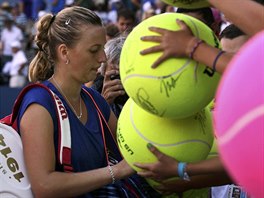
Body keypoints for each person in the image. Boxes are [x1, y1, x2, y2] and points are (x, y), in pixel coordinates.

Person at [18, 6, 160, 197]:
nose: (102, 58)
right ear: (64, 52)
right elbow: (44, 186)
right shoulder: (39, 105)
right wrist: (115, 172)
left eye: (102, 48)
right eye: (94, 50)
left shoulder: (95, 100)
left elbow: (134, 150)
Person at [92, 36, 129, 118]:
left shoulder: (143, 94)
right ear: (103, 72)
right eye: (115, 75)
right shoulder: (92, 95)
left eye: (124, 75)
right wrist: (104, 103)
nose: (120, 81)